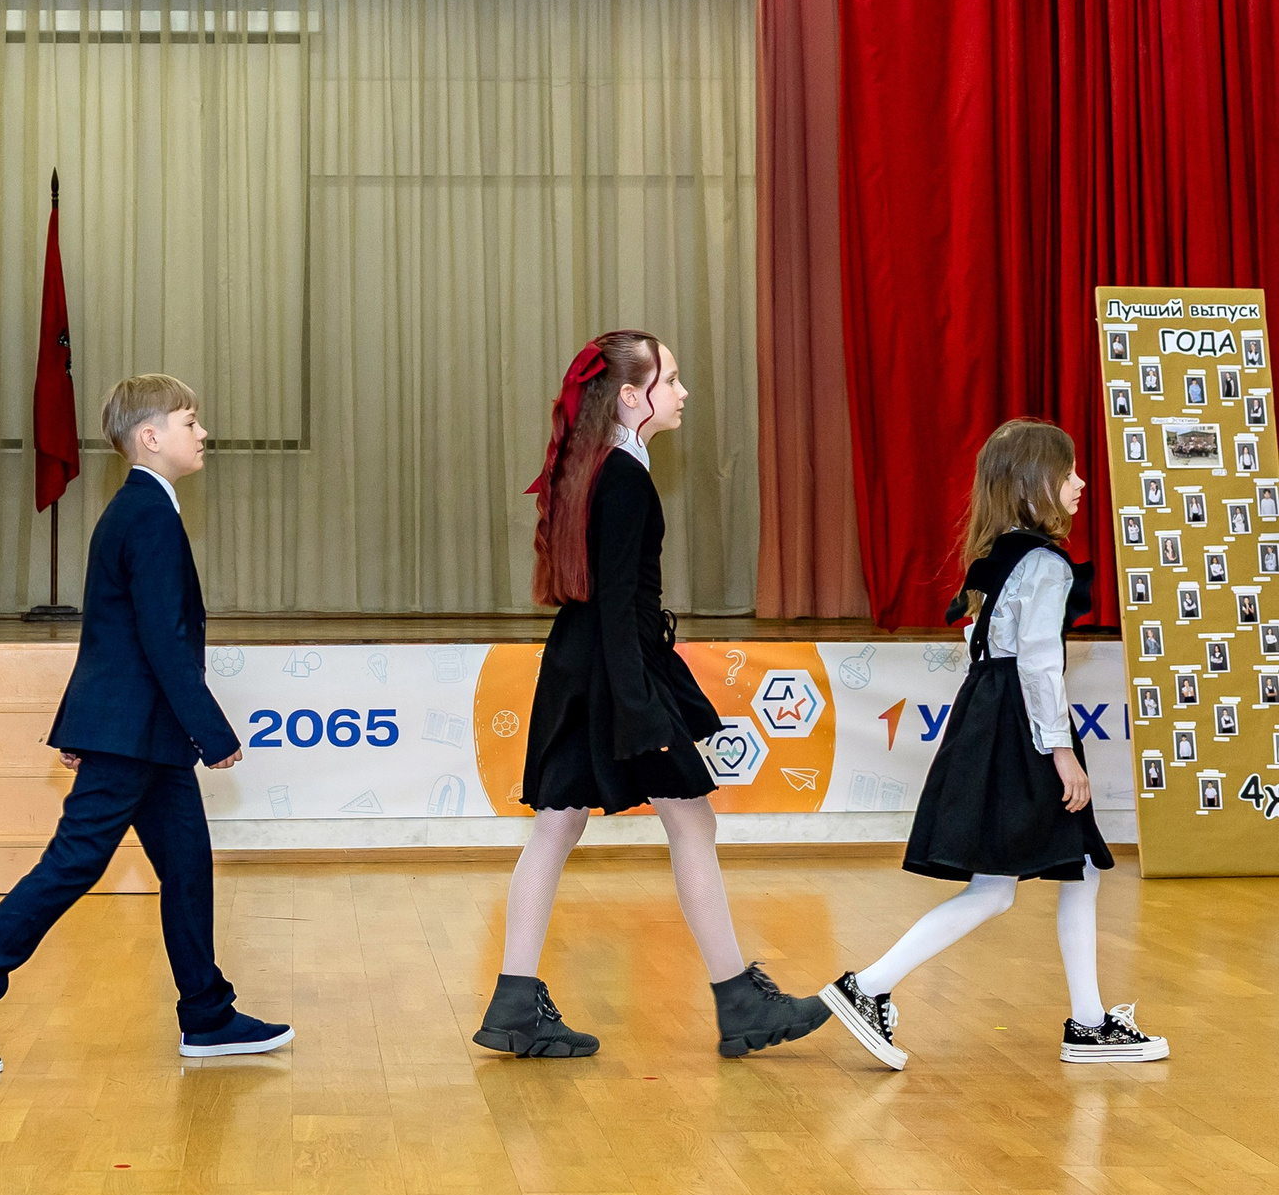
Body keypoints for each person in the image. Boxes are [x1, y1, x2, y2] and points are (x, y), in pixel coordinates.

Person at [0, 375, 291, 1074]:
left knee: (186, 866)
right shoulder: (147, 514)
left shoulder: (142, 509)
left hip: (141, 732)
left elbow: (116, 639)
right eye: (189, 419)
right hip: (134, 730)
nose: (201, 432)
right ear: (151, 437)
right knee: (74, 863)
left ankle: (206, 1013)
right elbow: (159, 638)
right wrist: (213, 730)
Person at [476, 332, 831, 1060]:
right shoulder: (625, 477)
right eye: (672, 378)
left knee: (556, 826)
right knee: (690, 821)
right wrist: (639, 708)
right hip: (616, 669)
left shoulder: (599, 464)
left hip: (589, 665)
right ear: (634, 395)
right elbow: (615, 606)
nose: (683, 391)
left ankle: (515, 1000)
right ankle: (739, 1001)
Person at [822, 419, 1166, 1069]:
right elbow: (1038, 664)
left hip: (993, 711)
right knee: (1000, 886)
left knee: (1076, 867)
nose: (1081, 482)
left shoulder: (999, 553)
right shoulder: (1043, 562)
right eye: (1068, 473)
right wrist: (1061, 750)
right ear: (1035, 483)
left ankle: (1088, 1022)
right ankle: (867, 986)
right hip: (1024, 724)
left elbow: (981, 646)